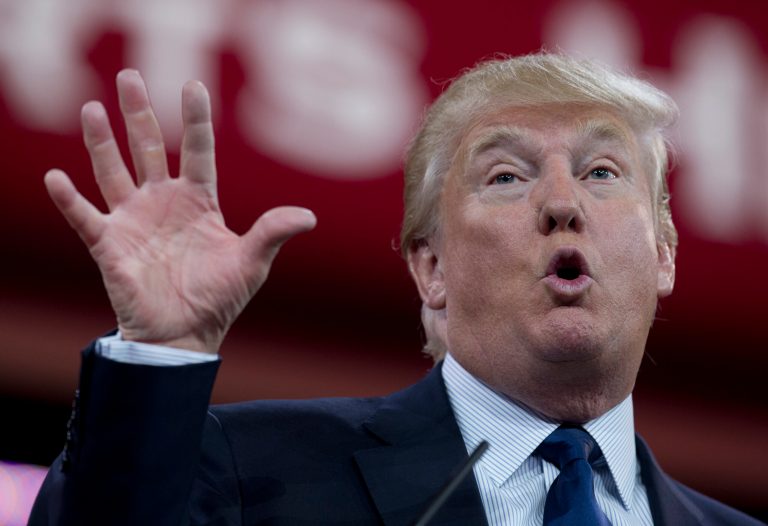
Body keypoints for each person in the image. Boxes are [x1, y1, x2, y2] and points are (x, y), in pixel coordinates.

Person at [29, 53, 764, 525]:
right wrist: (161, 351)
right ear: (431, 270)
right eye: (505, 176)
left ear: (664, 254)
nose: (561, 202)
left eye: (602, 171)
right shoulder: (252, 471)